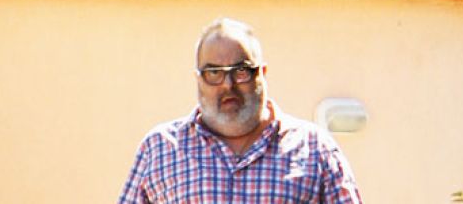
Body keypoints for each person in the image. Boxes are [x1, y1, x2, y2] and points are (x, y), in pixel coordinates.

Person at [118, 17, 363, 203]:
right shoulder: (159, 150)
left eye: (241, 71)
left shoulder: (315, 150)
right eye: (214, 72)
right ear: (198, 79)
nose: (228, 84)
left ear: (262, 74)